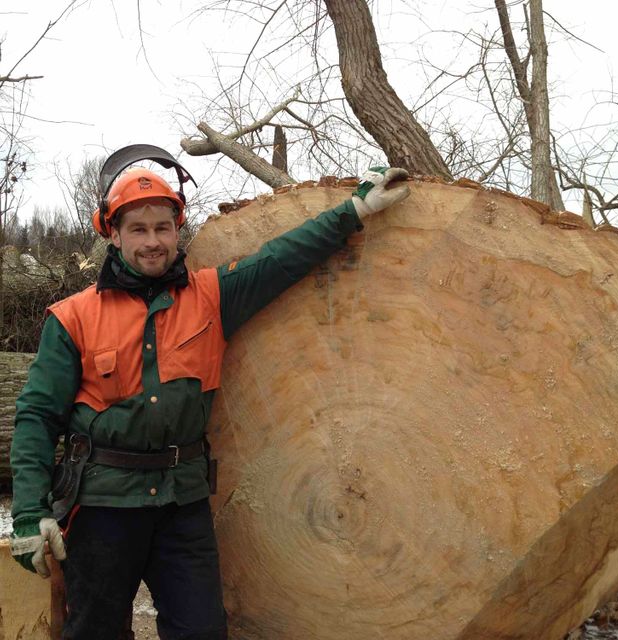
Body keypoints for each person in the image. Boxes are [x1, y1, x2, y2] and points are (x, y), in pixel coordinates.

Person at [9, 144, 410, 640]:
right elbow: (37, 416)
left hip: (183, 505)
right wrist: (28, 514)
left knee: (201, 631)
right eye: (138, 229)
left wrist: (355, 209)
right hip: (103, 507)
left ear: (178, 230)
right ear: (112, 233)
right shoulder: (72, 318)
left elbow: (283, 259)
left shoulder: (212, 296)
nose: (153, 241)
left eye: (163, 228)